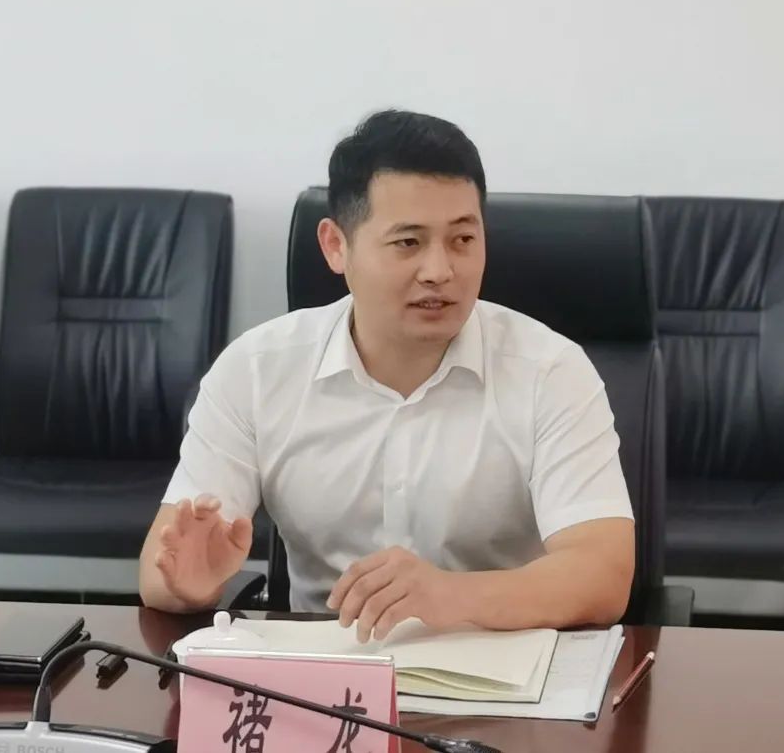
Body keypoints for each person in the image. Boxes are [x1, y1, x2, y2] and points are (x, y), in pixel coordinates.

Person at [139, 110, 635, 641]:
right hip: (322, 669)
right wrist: (187, 585)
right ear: (336, 246)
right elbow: (160, 571)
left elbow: (602, 575)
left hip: (504, 668)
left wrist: (450, 596)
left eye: (463, 240)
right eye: (408, 243)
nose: (440, 271)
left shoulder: (550, 371)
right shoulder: (256, 371)